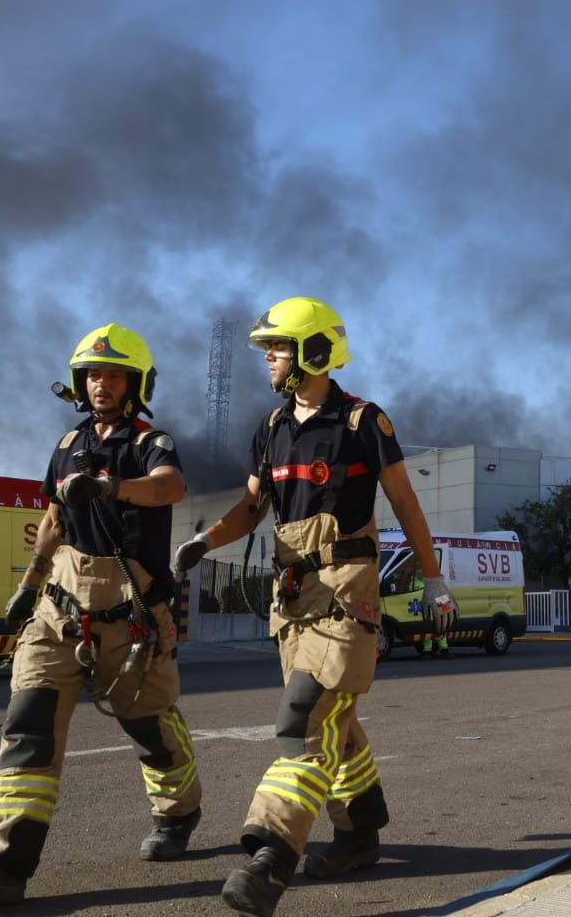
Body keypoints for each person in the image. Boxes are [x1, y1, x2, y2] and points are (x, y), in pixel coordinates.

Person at [172, 297, 456, 917]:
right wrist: (201, 541)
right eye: (267, 348)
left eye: (278, 346)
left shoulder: (362, 422)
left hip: (347, 590)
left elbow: (405, 502)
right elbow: (252, 507)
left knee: (302, 720)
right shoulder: (271, 430)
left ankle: (270, 857)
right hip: (293, 598)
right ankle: (359, 834)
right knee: (336, 723)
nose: (268, 357)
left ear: (314, 352)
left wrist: (433, 579)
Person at [0, 324, 200, 905]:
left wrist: (108, 488)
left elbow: (169, 488)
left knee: (149, 727)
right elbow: (52, 517)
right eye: (94, 374)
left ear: (135, 383)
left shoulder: (151, 442)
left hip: (131, 613)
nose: (102, 383)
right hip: (60, 608)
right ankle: (1, 861)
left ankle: (179, 813)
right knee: (28, 727)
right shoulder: (68, 441)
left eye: (115, 374)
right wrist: (29, 583)